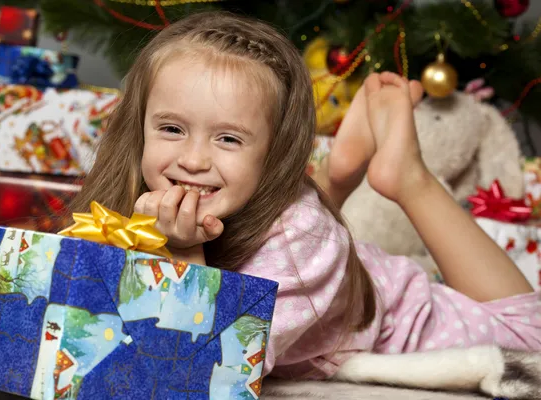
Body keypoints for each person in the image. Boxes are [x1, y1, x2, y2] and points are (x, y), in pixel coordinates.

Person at [69, 10, 541, 397]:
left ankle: (407, 177)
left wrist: (184, 252)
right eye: (171, 128)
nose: (192, 160)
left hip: (404, 315)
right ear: (141, 128)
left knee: (531, 333)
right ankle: (336, 178)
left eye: (229, 138)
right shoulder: (138, 197)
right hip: (326, 269)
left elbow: (211, 372)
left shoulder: (299, 243)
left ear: (275, 155)